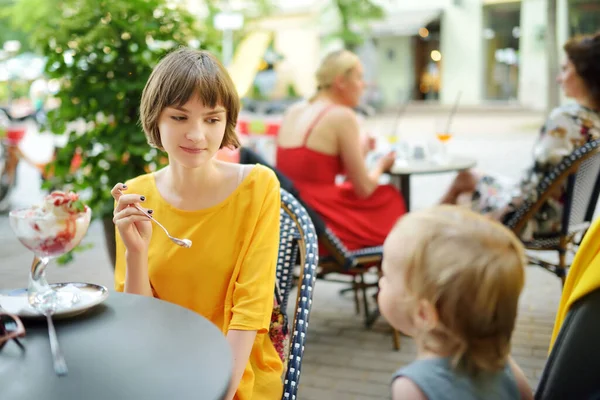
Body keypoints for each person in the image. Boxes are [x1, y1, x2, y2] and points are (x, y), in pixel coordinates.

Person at [111, 48, 283, 400]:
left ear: (227, 122)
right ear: (155, 119)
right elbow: (139, 322)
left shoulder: (258, 187)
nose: (196, 135)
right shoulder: (136, 197)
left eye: (211, 119)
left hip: (236, 369)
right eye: (179, 117)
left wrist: (217, 392)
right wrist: (135, 252)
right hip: (160, 367)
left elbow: (251, 309)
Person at [442, 32, 600, 240]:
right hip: (568, 221)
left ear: (583, 73)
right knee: (471, 178)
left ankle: (419, 239)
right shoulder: (594, 121)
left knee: (464, 185)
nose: (559, 78)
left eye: (564, 70)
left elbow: (533, 187)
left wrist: (496, 215)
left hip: (534, 220)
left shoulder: (565, 119)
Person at [378, 205, 533, 400]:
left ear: (424, 314)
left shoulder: (412, 387)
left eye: (387, 276)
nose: (381, 282)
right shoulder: (502, 364)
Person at [276, 49, 406, 251]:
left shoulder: (294, 111)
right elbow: (364, 188)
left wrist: (361, 150)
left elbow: (314, 168)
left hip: (289, 217)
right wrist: (381, 165)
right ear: (340, 82)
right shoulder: (341, 116)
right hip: (322, 222)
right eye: (359, 78)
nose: (363, 85)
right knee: (390, 197)